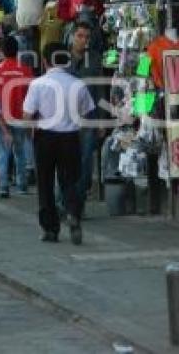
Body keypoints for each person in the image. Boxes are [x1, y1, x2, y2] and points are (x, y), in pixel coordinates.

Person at [22, 42, 95, 245]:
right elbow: (86, 111)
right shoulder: (77, 84)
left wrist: (32, 132)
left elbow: (27, 115)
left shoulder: (37, 84)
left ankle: (50, 229)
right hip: (70, 137)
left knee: (45, 183)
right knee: (70, 181)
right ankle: (73, 213)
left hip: (45, 137)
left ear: (45, 61)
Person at [0, 36, 34, 198]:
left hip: (1, 117)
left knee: (3, 152)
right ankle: (22, 186)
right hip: (21, 117)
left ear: (1, 51)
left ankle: (3, 187)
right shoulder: (26, 70)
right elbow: (31, 97)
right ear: (17, 50)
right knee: (19, 152)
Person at [67, 20, 103, 216]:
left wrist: (102, 121)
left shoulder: (95, 60)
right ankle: (65, 202)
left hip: (89, 120)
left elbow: (100, 92)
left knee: (85, 165)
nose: (83, 41)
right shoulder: (62, 59)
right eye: (80, 36)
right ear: (73, 36)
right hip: (65, 120)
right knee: (66, 163)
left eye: (87, 37)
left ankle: (77, 205)